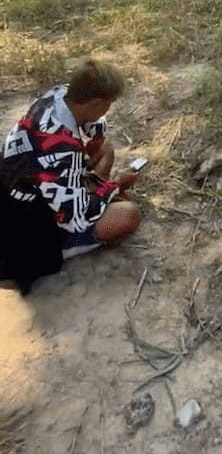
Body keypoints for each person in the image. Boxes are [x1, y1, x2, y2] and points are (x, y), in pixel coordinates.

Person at [0, 60, 141, 290]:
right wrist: (116, 186)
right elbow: (75, 214)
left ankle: (94, 191)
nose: (108, 109)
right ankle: (64, 249)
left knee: (105, 150)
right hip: (30, 227)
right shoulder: (62, 151)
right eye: (108, 104)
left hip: (22, 187)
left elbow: (93, 125)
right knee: (128, 215)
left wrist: (95, 136)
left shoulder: (55, 96)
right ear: (96, 103)